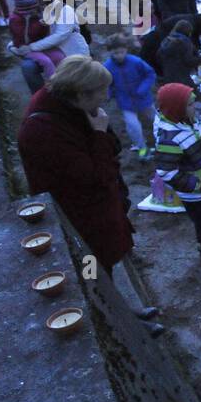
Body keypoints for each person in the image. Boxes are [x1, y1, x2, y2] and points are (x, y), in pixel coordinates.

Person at [17, 56, 135, 273]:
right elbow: (94, 178)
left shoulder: (65, 105)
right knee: (96, 267)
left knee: (106, 260)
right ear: (81, 94)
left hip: (98, 209)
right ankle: (104, 303)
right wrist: (100, 133)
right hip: (83, 217)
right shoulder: (43, 132)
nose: (105, 97)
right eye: (101, 92)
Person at [153, 82, 201, 287]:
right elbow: (166, 171)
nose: (194, 108)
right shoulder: (170, 138)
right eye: (190, 105)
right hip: (196, 193)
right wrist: (195, 184)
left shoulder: (189, 121)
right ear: (177, 108)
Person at [104, 34, 158, 159]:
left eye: (121, 52)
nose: (119, 55)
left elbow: (150, 74)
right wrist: (108, 94)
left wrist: (143, 88)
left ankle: (164, 140)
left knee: (155, 120)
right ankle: (142, 149)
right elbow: (107, 83)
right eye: (115, 53)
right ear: (110, 52)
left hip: (143, 99)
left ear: (126, 50)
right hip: (125, 102)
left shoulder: (136, 62)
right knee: (133, 126)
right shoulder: (107, 67)